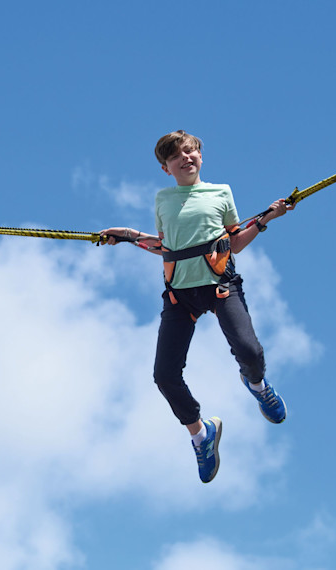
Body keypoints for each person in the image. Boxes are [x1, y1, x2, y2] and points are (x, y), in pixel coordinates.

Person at [101, 130, 294, 483]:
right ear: (166, 168)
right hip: (180, 295)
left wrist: (266, 219)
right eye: (177, 156)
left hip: (220, 286)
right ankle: (201, 434)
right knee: (164, 375)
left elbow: (233, 243)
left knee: (249, 352)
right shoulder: (163, 199)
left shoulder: (221, 193)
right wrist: (128, 235)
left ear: (201, 156)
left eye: (191, 152)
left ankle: (258, 387)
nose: (186, 158)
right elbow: (167, 246)